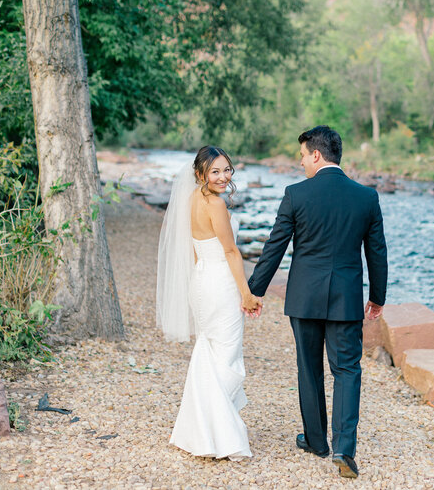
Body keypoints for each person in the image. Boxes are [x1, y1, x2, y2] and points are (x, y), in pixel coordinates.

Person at [247, 125, 388, 478]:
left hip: (305, 297)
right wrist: (377, 297)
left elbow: (274, 247)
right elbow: (377, 253)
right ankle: (343, 449)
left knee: (308, 368)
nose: (300, 164)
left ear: (316, 154)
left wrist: (255, 289)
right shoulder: (366, 197)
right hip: (345, 298)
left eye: (301, 156)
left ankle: (315, 441)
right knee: (347, 370)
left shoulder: (296, 194)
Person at [156, 146, 262, 460]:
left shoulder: (189, 201)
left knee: (210, 352)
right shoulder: (215, 205)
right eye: (215, 171)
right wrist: (246, 293)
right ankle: (220, 436)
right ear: (201, 174)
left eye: (227, 169)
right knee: (226, 357)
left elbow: (191, 248)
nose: (223, 176)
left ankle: (199, 429)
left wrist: (197, 279)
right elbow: (231, 252)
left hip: (201, 281)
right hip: (220, 283)